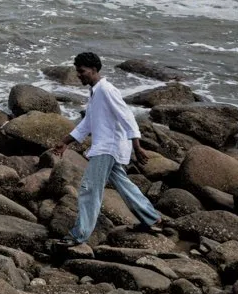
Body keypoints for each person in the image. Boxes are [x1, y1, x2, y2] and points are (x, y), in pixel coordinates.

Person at [49, 52, 162, 250]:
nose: (79, 75)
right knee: (124, 185)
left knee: (89, 189)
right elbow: (88, 123)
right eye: (77, 71)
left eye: (81, 71)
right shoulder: (95, 92)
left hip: (108, 146)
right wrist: (65, 142)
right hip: (108, 146)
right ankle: (151, 218)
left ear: (93, 70)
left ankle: (79, 235)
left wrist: (137, 144)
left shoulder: (106, 90)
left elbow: (126, 115)